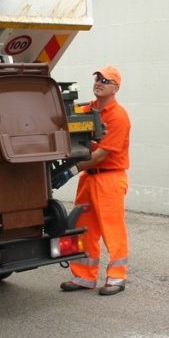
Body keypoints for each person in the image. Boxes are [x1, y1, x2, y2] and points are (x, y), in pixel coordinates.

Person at [51, 65, 131, 296]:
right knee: (81, 227)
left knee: (112, 229)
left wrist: (70, 171)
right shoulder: (87, 109)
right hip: (89, 178)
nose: (99, 82)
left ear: (115, 88)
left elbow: (101, 154)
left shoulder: (118, 116)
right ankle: (83, 276)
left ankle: (117, 278)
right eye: (97, 78)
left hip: (109, 179)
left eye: (105, 80)